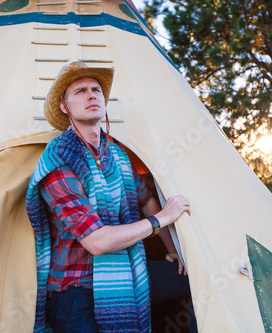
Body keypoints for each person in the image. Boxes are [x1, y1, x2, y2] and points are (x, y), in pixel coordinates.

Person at [26, 61, 191, 333]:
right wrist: (160, 220)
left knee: (195, 279)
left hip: (126, 270)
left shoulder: (117, 156)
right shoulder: (58, 160)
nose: (92, 95)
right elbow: (97, 242)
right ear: (64, 106)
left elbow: (146, 199)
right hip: (75, 290)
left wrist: (172, 249)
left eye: (96, 90)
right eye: (80, 91)